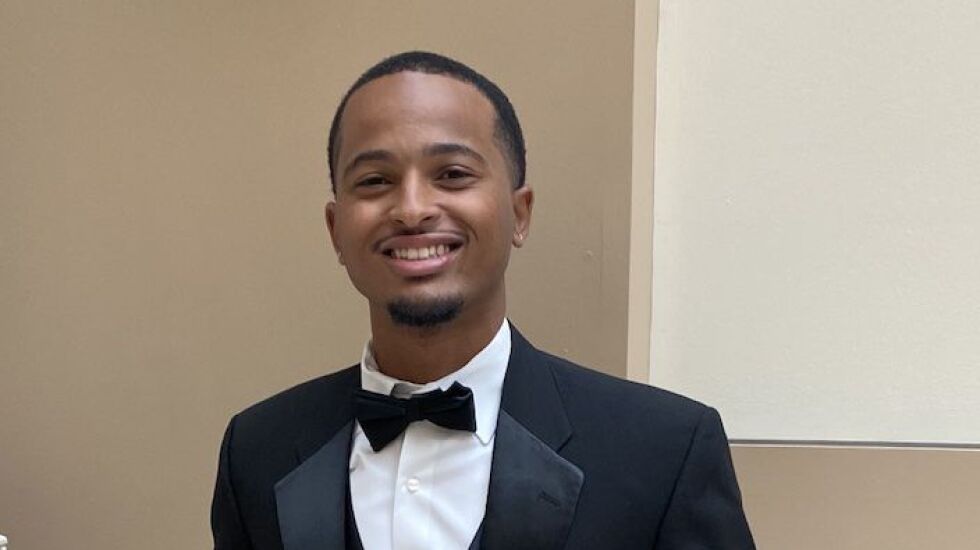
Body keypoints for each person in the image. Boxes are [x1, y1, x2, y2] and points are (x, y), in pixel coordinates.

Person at [210, 51, 755, 550]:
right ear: (336, 230)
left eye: (452, 174)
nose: (412, 209)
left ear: (520, 214)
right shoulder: (256, 450)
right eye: (375, 180)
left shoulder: (665, 452)